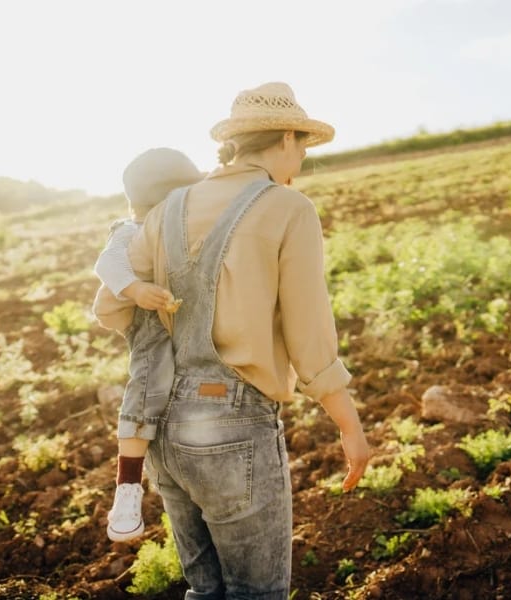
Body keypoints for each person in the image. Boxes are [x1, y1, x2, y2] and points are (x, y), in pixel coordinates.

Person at [94, 82, 370, 598]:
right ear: (287, 137)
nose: (303, 160)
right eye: (304, 147)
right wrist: (349, 426)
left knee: (205, 590)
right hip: (233, 427)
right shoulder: (288, 207)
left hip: (162, 431)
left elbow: (111, 307)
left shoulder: (165, 209)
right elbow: (310, 335)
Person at [92, 148, 202, 542]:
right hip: (151, 328)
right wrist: (136, 289)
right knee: (144, 391)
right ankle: (128, 487)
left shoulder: (185, 229)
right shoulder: (129, 230)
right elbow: (107, 265)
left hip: (184, 322)